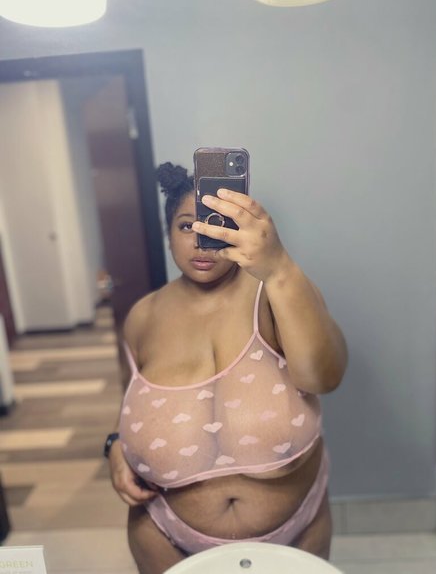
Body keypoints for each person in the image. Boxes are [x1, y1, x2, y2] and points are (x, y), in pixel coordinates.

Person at [106, 162, 347, 574]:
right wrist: (114, 444)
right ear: (168, 233)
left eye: (217, 224)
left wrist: (279, 267)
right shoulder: (142, 317)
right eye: (187, 226)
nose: (201, 241)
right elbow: (135, 401)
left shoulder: (277, 293)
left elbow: (324, 377)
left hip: (295, 531)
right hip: (162, 535)